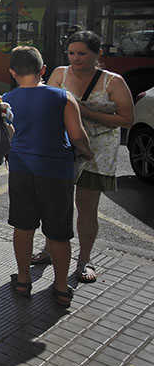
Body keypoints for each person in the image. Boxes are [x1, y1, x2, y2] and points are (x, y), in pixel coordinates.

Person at [39, 31, 134, 284]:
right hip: (63, 148)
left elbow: (127, 119)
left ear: (97, 54)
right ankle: (49, 249)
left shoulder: (112, 82)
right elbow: (47, 105)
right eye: (71, 53)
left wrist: (86, 112)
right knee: (56, 204)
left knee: (87, 208)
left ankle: (84, 260)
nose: (75, 59)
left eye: (82, 53)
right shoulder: (60, 74)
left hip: (98, 152)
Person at [4, 46, 92, 307]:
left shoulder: (6, 98)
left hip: (20, 169)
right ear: (43, 70)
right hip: (56, 172)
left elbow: (7, 136)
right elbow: (77, 135)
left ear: (12, 72)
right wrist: (87, 152)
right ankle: (62, 287)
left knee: (23, 227)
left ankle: (22, 279)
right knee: (58, 232)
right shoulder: (62, 97)